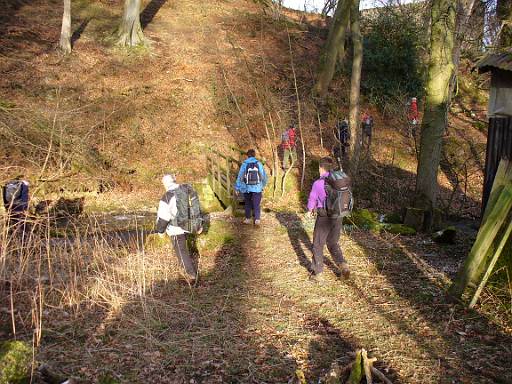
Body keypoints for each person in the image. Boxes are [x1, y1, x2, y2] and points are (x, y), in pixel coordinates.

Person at [306, 157, 350, 281]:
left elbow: (312, 199)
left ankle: (317, 273)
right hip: (338, 215)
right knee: (332, 242)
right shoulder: (338, 180)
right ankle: (343, 266)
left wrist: (309, 211)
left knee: (318, 244)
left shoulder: (318, 183)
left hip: (324, 216)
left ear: (321, 168)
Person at [156, 173, 203, 283]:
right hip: (191, 225)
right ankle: (188, 271)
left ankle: (191, 275)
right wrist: (198, 224)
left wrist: (161, 232)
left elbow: (163, 219)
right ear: (174, 180)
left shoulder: (167, 197)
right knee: (184, 248)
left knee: (181, 251)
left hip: (176, 229)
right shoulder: (187, 189)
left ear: (164, 184)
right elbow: (196, 207)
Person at [235, 149, 267, 226]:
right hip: (257, 187)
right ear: (254, 155)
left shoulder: (244, 164)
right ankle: (257, 220)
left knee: (248, 203)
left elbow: (240, 177)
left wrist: (237, 187)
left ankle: (248, 219)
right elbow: (263, 176)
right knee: (256, 204)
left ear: (247, 155)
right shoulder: (259, 163)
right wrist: (263, 185)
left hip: (246, 187)